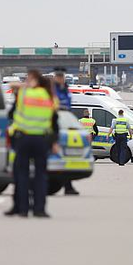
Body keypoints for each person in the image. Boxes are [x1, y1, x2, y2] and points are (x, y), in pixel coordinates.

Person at [5, 71, 57, 218]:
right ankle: (39, 209)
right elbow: (54, 119)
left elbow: (11, 113)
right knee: (41, 175)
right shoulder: (48, 96)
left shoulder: (24, 94)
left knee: (22, 175)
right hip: (41, 139)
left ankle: (22, 209)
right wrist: (53, 141)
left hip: (24, 138)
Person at [52, 68, 79, 196]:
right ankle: (65, 185)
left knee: (66, 157)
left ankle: (68, 186)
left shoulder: (65, 89)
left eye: (61, 76)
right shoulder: (53, 90)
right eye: (57, 76)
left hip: (65, 124)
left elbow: (68, 106)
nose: (59, 78)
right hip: (54, 125)